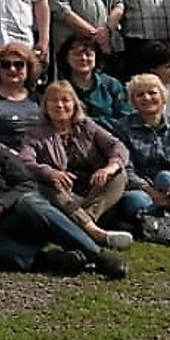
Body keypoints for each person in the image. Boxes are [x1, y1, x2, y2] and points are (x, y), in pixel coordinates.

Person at [0, 116, 128, 278]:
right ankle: (48, 261)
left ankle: (99, 256)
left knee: (29, 200)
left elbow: (28, 183)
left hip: (23, 218)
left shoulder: (2, 158)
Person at [16, 80, 132, 249]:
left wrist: (109, 167)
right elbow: (25, 161)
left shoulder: (88, 126)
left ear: (74, 104)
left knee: (119, 175)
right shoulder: (35, 134)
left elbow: (117, 146)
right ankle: (95, 233)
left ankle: (84, 223)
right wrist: (51, 172)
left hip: (94, 192)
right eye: (54, 101)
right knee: (48, 185)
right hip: (64, 194)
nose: (60, 105)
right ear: (45, 106)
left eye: (65, 100)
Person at [114, 73, 170, 219]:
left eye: (152, 93)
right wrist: (153, 193)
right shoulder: (122, 128)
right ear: (133, 101)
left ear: (163, 96)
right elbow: (126, 169)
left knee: (165, 176)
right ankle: (157, 223)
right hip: (140, 188)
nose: (147, 98)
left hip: (167, 183)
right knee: (135, 200)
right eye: (140, 95)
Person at [57, 33, 128, 131]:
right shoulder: (59, 88)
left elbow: (126, 117)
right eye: (77, 54)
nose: (83, 58)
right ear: (66, 58)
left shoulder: (112, 85)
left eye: (88, 54)